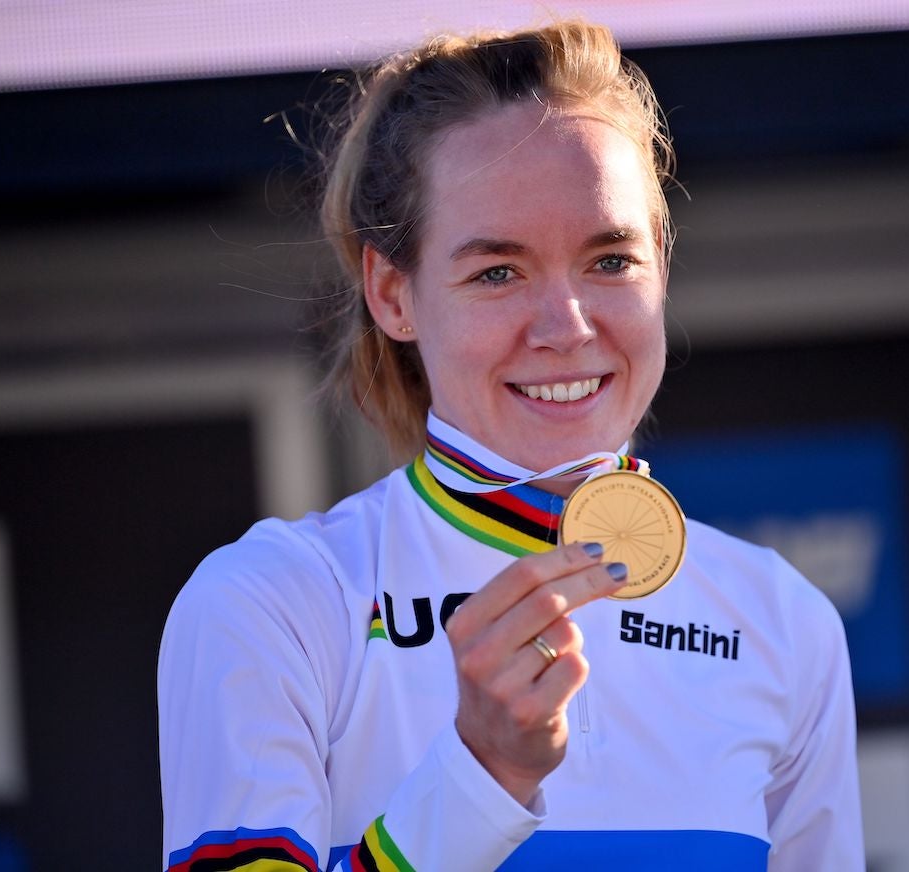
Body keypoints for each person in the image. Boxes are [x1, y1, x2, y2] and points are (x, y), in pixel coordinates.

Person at [159, 21, 863, 872]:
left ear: (662, 262)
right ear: (393, 295)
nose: (567, 327)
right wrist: (480, 776)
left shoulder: (780, 621)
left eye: (610, 261)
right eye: (497, 272)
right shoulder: (277, 603)